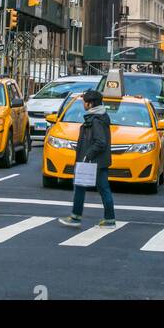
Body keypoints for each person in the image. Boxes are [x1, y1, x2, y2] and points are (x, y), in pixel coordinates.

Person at [58, 89, 115, 229]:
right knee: (101, 189)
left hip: (92, 162)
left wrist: (86, 156)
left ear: (90, 104)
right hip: (96, 161)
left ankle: (77, 218)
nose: (83, 104)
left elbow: (100, 142)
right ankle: (108, 219)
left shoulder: (96, 120)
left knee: (84, 188)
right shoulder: (99, 117)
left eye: (84, 102)